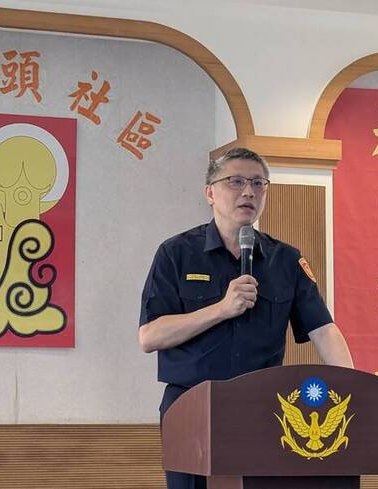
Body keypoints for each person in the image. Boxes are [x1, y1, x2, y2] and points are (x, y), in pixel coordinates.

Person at [138, 147, 353, 489]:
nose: (249, 192)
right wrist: (221, 309)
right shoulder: (176, 253)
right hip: (192, 405)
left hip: (264, 407)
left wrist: (353, 389)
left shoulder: (286, 260)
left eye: (258, 183)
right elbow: (150, 336)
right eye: (235, 181)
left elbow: (323, 330)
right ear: (210, 192)